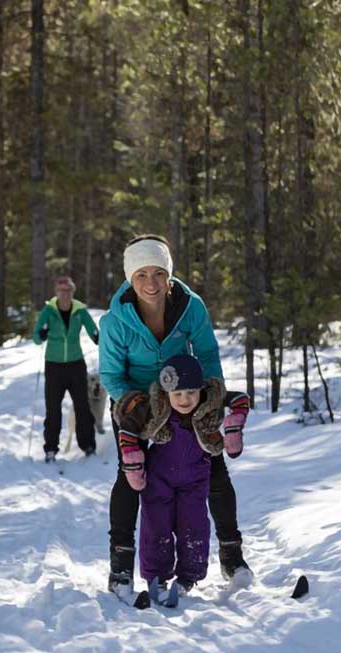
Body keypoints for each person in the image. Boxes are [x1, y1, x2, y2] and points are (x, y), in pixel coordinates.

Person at [98, 234, 252, 598]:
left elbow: (208, 354)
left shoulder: (191, 306)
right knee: (131, 476)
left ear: (169, 276)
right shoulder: (116, 320)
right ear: (129, 278)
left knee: (213, 469)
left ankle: (233, 557)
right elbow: (110, 375)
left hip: (184, 393)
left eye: (158, 274)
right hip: (134, 399)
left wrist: (211, 399)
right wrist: (135, 406)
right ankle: (120, 567)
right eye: (141, 275)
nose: (150, 284)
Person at [114, 354, 251, 606]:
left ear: (201, 389)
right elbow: (127, 424)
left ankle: (188, 577)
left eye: (190, 392)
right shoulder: (157, 408)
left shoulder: (209, 404)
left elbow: (241, 399)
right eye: (177, 394)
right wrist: (132, 458)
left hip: (195, 480)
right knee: (156, 525)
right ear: (166, 394)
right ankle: (157, 577)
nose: (185, 400)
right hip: (159, 479)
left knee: (194, 525)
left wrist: (233, 424)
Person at [32, 276, 100, 462]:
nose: (65, 294)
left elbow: (93, 330)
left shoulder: (79, 311)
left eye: (68, 290)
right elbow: (36, 338)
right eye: (62, 290)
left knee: (83, 407)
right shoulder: (48, 311)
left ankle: (88, 445)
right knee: (53, 409)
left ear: (73, 291)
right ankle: (51, 449)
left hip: (76, 364)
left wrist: (98, 339)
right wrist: (41, 334)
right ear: (56, 292)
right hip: (54, 366)